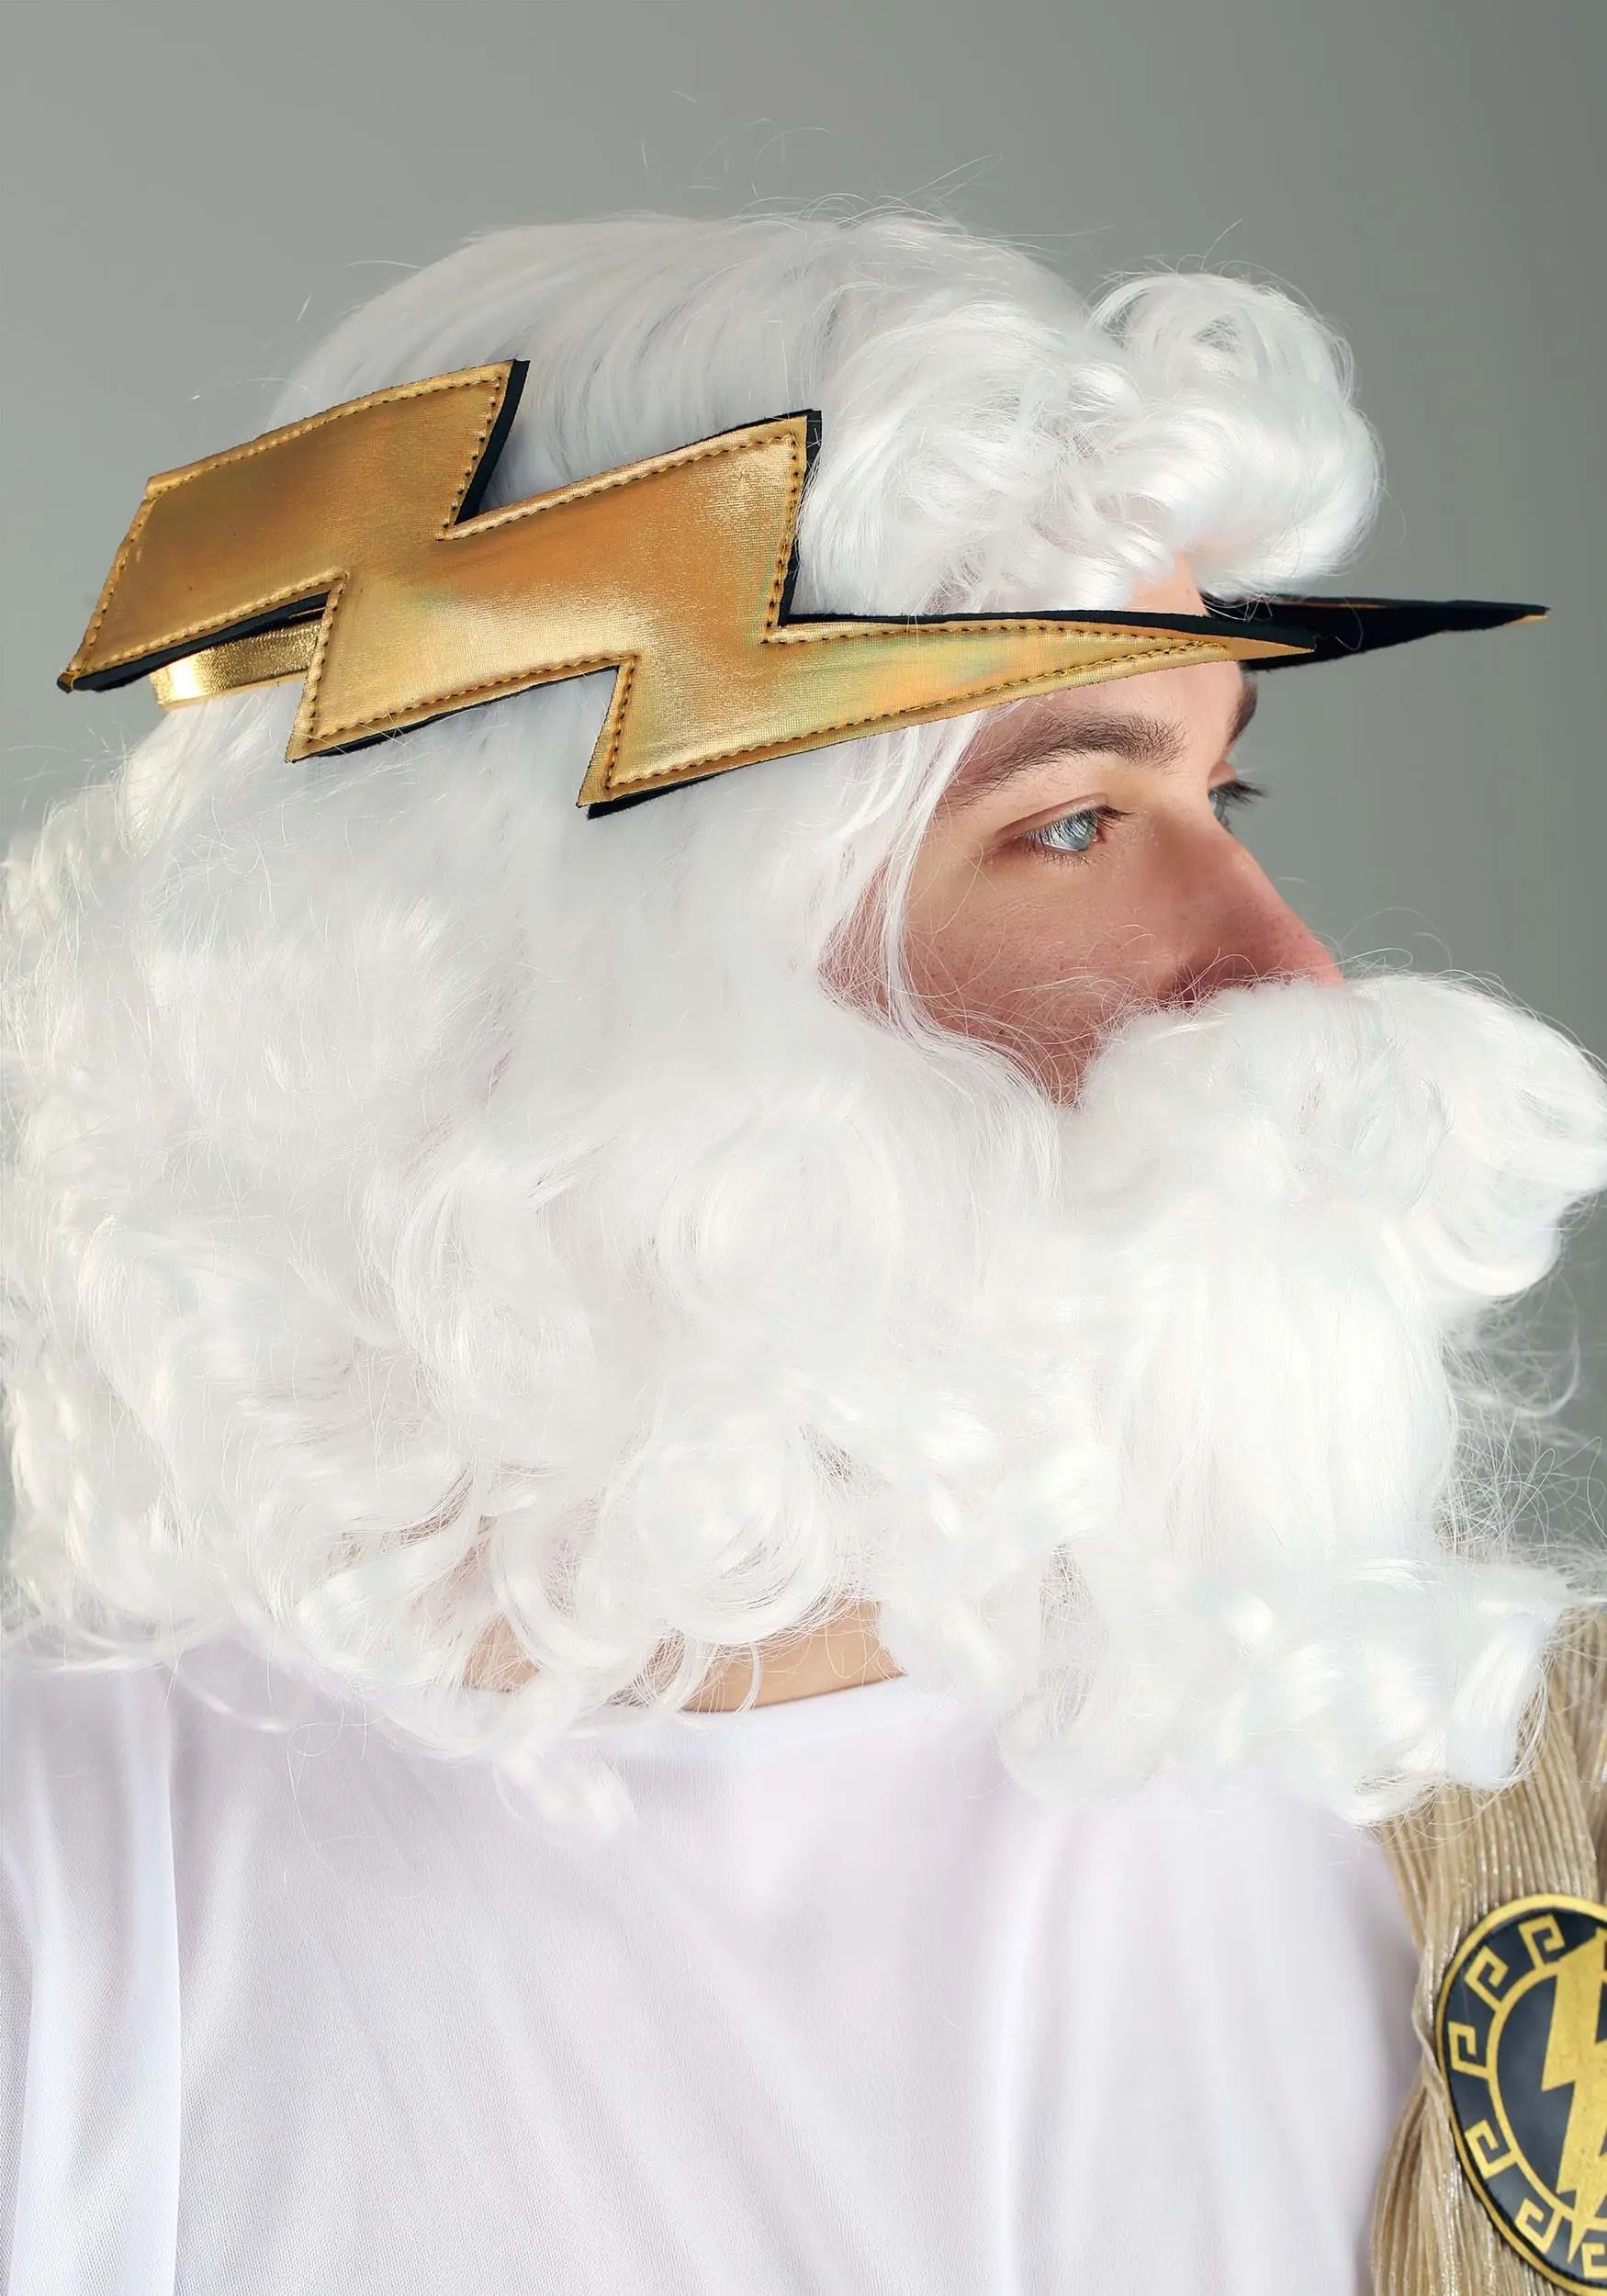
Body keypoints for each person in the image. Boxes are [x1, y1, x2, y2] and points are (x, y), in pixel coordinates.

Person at [3, 211, 1604, 2296]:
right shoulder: (75, 1890)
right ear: (575, 964)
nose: (1284, 966)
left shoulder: (1492, 1774)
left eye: (1227, 789)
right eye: (1068, 819)